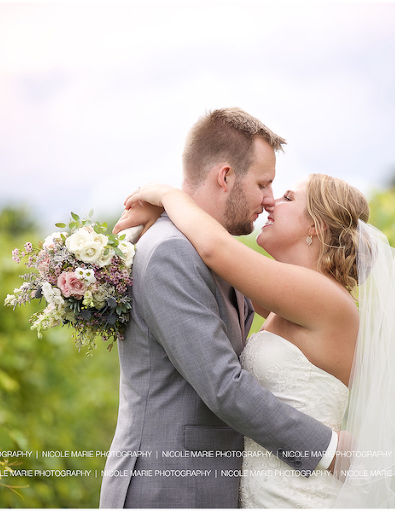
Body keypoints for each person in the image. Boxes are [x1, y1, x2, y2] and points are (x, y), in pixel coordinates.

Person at [116, 173, 395, 508]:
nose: (270, 203)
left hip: (297, 495)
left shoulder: (321, 296)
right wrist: (163, 219)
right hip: (272, 489)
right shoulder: (293, 297)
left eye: (288, 198)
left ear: (317, 225)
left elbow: (215, 250)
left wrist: (166, 196)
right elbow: (213, 269)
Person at [98, 108, 338, 509]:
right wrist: (327, 449)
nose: (268, 200)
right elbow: (224, 386)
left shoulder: (219, 253)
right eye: (263, 183)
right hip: (167, 490)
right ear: (225, 176)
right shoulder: (171, 252)